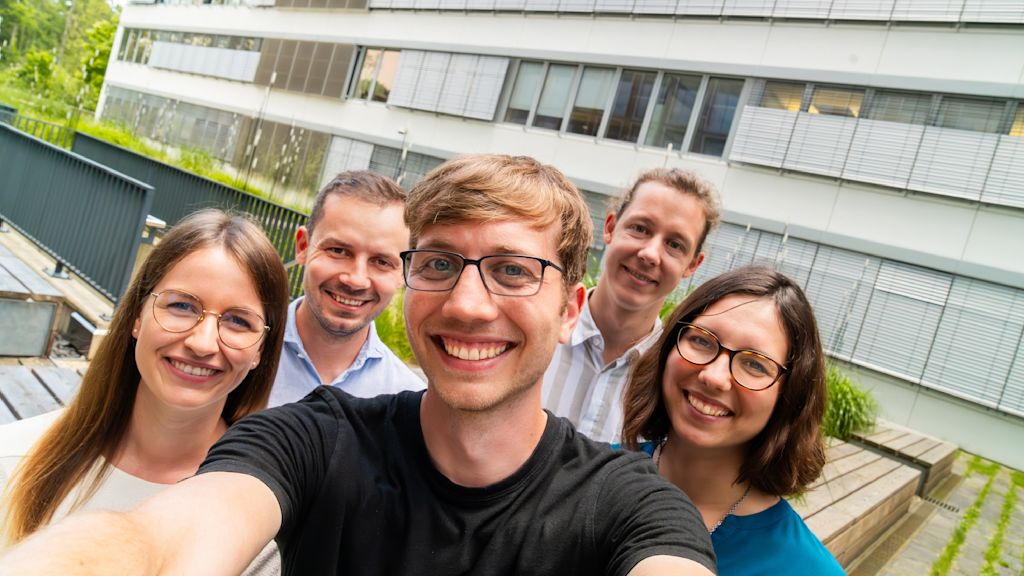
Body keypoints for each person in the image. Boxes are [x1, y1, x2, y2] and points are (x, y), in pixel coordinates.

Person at [0, 155, 716, 576]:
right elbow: (163, 535)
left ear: (570, 308)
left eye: (512, 271)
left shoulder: (632, 504)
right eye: (439, 264)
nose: (468, 304)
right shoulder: (316, 436)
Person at [0, 209, 290, 574]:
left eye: (237, 321)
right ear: (137, 315)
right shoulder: (12, 461)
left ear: (261, 351)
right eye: (182, 305)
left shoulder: (263, 532)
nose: (202, 343)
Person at [621, 266, 844, 575]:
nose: (713, 377)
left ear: (790, 398)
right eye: (701, 341)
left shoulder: (806, 569)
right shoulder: (584, 476)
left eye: (755, 364)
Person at [543, 168, 719, 443]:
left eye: (674, 244)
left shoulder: (677, 378)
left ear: (693, 265)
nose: (650, 254)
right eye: (640, 228)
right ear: (611, 227)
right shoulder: (538, 325)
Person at [268, 171, 424, 407]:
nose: (356, 280)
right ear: (303, 246)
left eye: (381, 262)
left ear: (403, 273)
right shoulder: (236, 358)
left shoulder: (409, 402)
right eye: (338, 251)